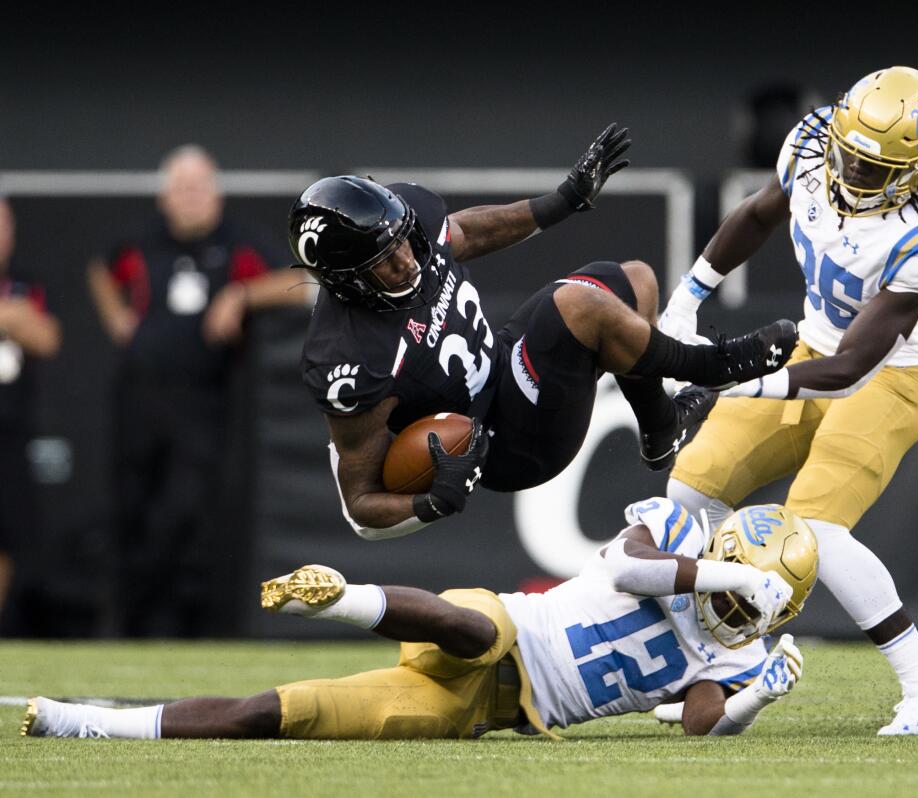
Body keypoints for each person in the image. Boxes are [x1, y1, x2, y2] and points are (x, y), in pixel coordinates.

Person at [657, 67, 918, 735]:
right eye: (847, 151)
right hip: (811, 352)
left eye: (869, 166)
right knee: (689, 494)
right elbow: (755, 214)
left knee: (816, 532)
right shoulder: (812, 143)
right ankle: (711, 670)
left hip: (889, 379)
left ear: (912, 170)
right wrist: (686, 300)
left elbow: (852, 367)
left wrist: (737, 380)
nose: (846, 170)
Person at [291, 125, 799, 542]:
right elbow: (360, 507)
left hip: (503, 364)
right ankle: (713, 367)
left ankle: (660, 427)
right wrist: (430, 503)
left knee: (634, 281)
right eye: (384, 261)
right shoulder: (351, 357)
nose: (407, 260)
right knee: (579, 306)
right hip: (502, 439)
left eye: (403, 240)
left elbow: (465, 233)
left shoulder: (408, 227)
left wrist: (563, 200)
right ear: (347, 280)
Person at [22, 498, 817, 740]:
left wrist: (757, 697)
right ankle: (340, 598)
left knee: (287, 713)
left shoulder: (741, 654)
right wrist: (724, 571)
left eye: (751, 604)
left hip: (483, 710)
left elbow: (698, 726)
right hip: (509, 624)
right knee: (471, 627)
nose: (732, 608)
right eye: (733, 585)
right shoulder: (679, 538)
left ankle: (83, 726)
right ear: (720, 551)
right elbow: (627, 568)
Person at [87, 145, 312, 637]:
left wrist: (240, 294)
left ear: (216, 196)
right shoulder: (140, 242)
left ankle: (188, 625)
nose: (190, 199)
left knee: (188, 510)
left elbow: (302, 283)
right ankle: (128, 626)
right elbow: (101, 272)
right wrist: (118, 320)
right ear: (164, 197)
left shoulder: (237, 244)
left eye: (199, 189)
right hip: (139, 397)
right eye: (181, 189)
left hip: (203, 400)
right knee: (132, 508)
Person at [0, 197, 62, 625]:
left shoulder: (25, 282)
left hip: (8, 428)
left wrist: (18, 318)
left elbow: (46, 337)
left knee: (7, 536)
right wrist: (10, 318)